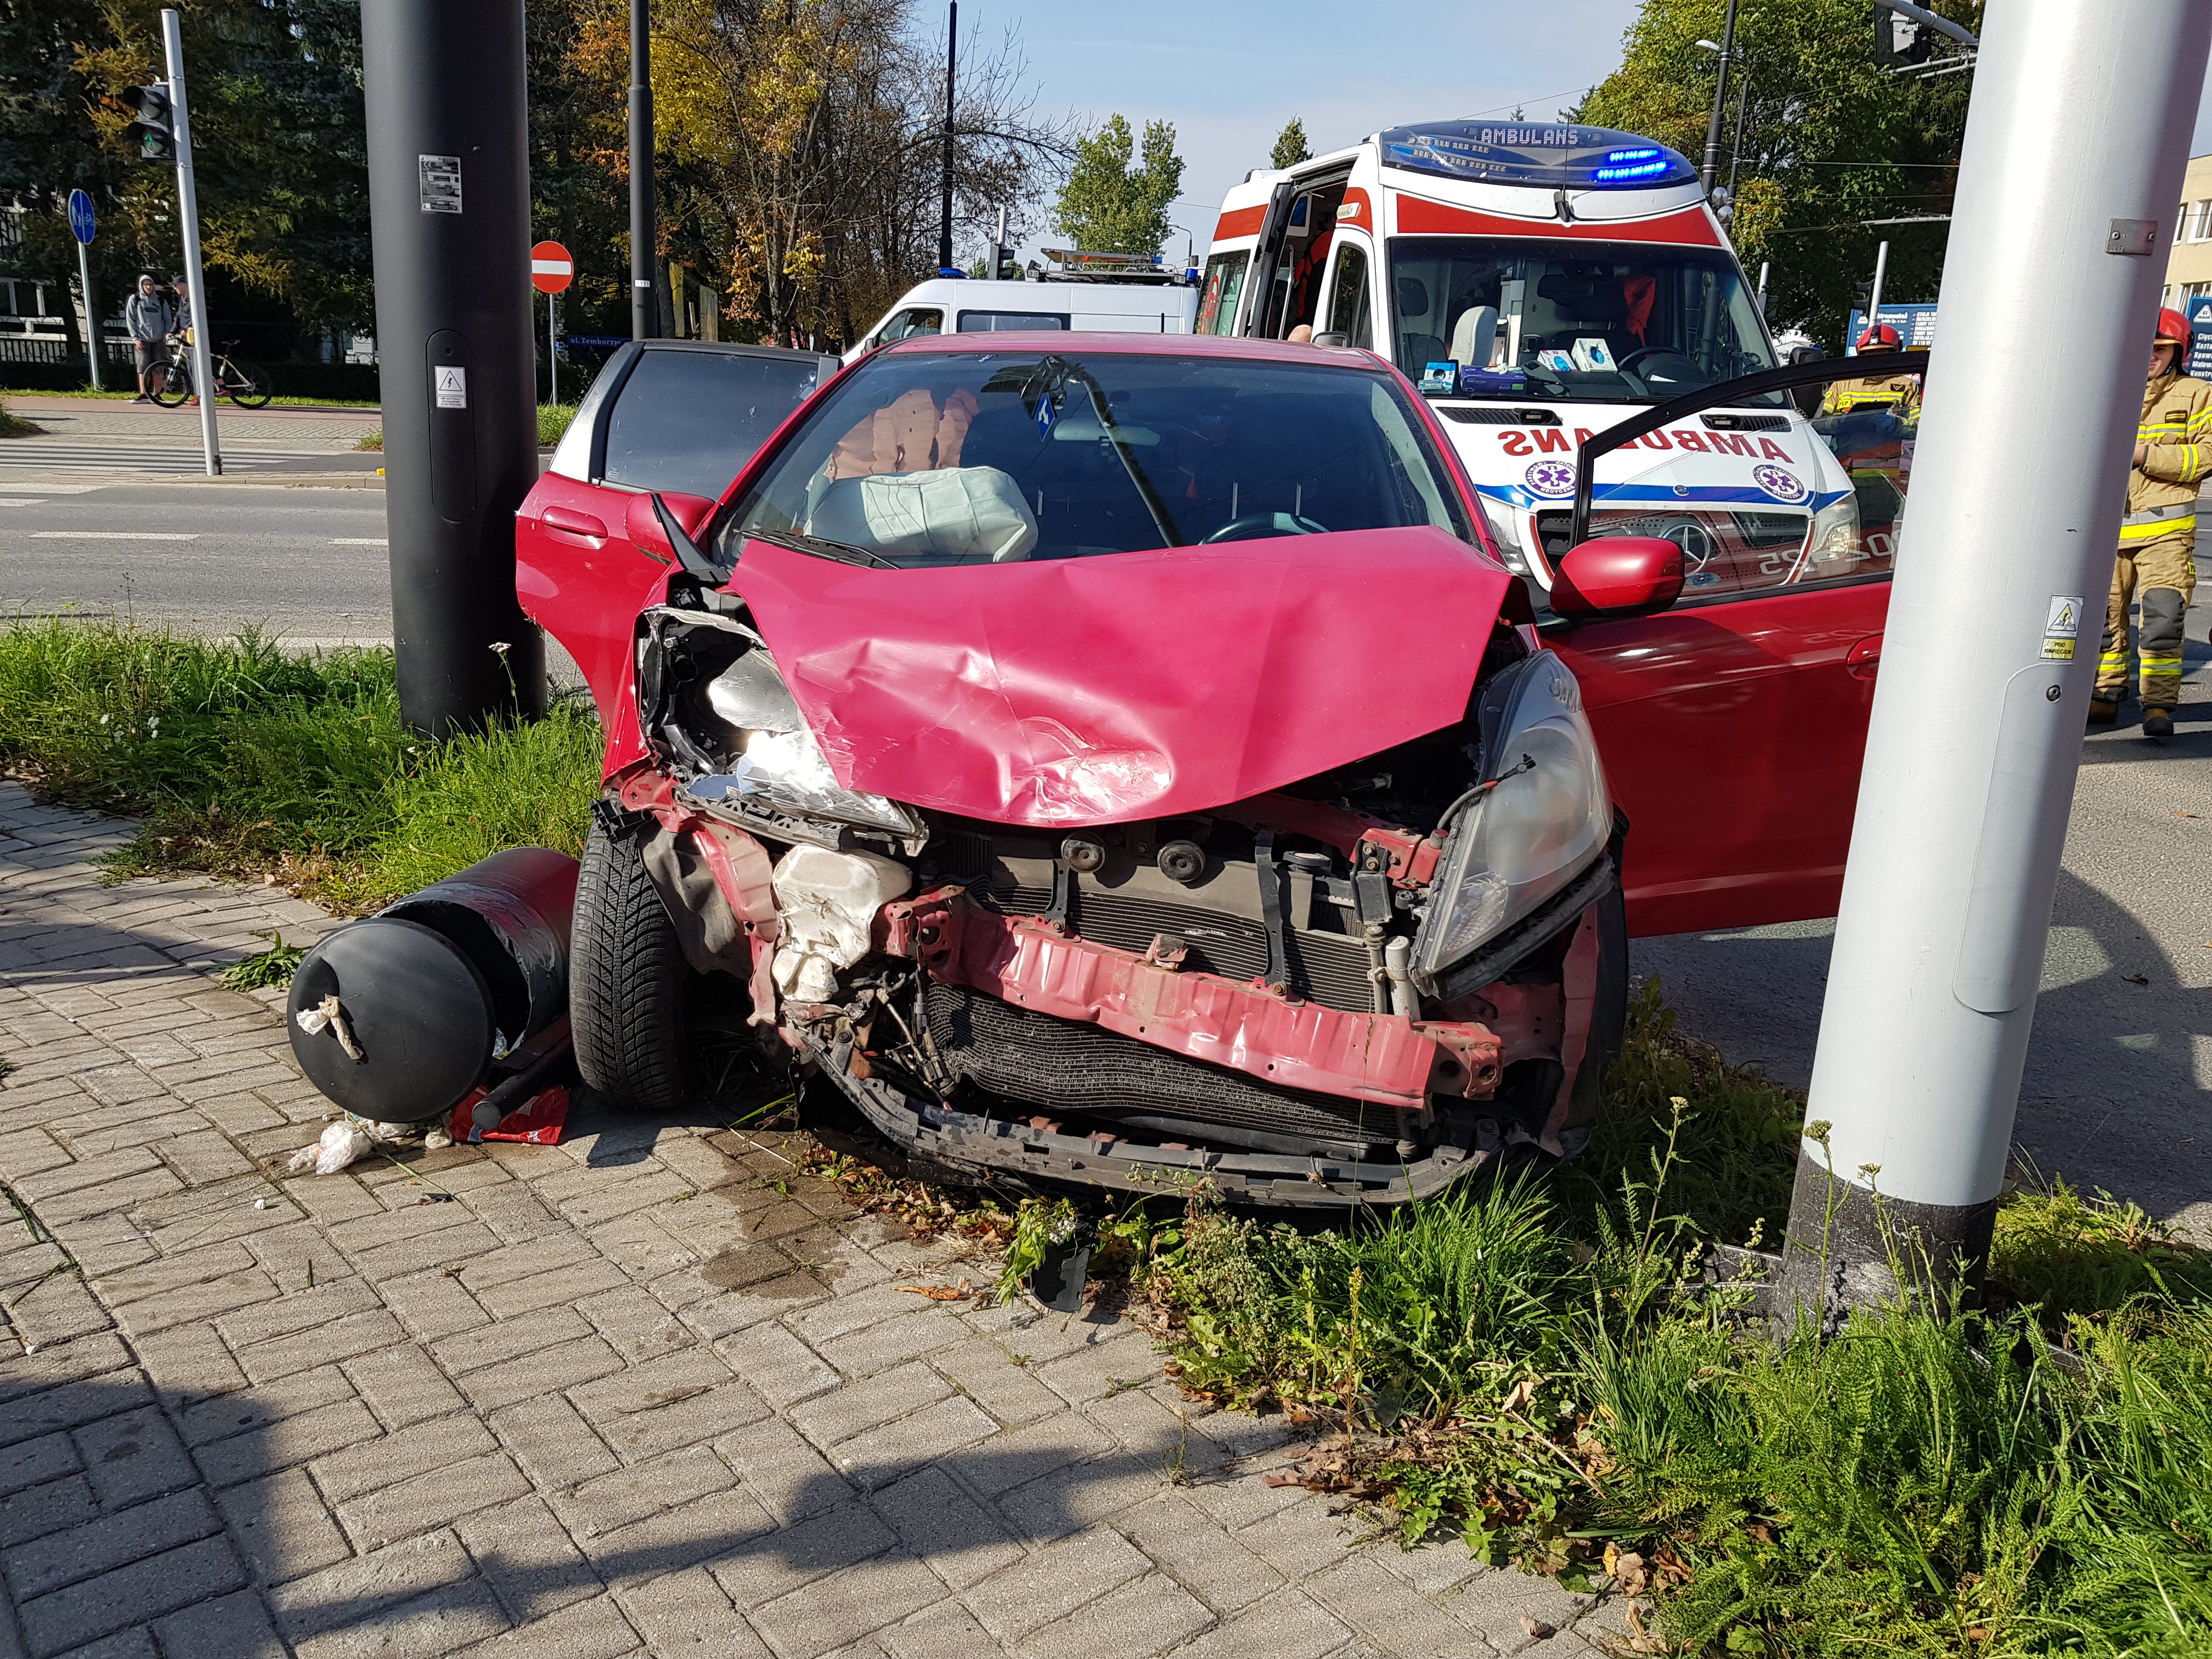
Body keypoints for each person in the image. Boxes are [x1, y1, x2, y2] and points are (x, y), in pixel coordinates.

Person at [2093, 306, 2208, 736]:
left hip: (2166, 531)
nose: (2150, 357)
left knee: (2162, 618)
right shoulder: (2109, 390)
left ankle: (2158, 707)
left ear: (2178, 353)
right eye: (2143, 347)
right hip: (2108, 531)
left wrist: (2146, 456)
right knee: (2103, 622)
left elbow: (2207, 455)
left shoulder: (2197, 394)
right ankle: (2105, 695)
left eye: (2160, 349)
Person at [1817, 323, 1922, 419]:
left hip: (1888, 439)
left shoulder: (1907, 386)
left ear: (1895, 353)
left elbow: (1918, 426)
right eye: (1870, 354)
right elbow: (1821, 422)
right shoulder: (1841, 386)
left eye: (1881, 354)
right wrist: (1844, 420)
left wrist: (1896, 423)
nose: (1876, 360)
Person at [123, 274, 175, 402]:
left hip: (158, 340)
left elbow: (168, 320)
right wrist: (135, 338)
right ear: (141, 286)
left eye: (151, 284)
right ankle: (144, 394)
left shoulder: (160, 301)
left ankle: (157, 394)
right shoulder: (135, 300)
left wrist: (165, 335)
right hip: (142, 340)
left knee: (159, 368)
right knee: (143, 368)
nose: (149, 287)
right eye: (146, 284)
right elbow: (130, 320)